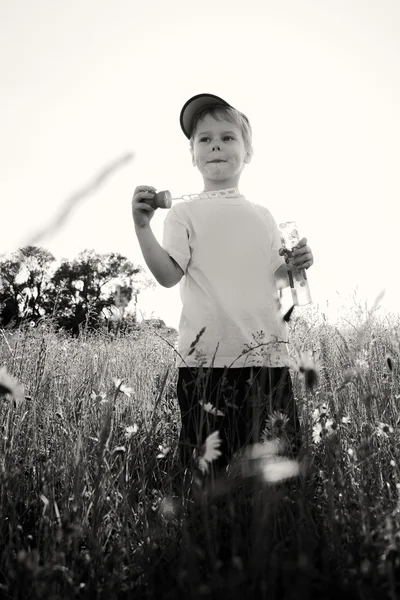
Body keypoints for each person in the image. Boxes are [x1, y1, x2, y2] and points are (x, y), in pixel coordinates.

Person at [131, 93, 314, 478]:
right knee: (208, 471)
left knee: (273, 469)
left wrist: (297, 264)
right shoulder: (182, 213)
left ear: (248, 152)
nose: (216, 144)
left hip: (265, 359)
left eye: (228, 137)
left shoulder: (263, 216)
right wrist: (142, 227)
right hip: (204, 364)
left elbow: (277, 278)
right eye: (204, 138)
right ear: (193, 155)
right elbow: (167, 275)